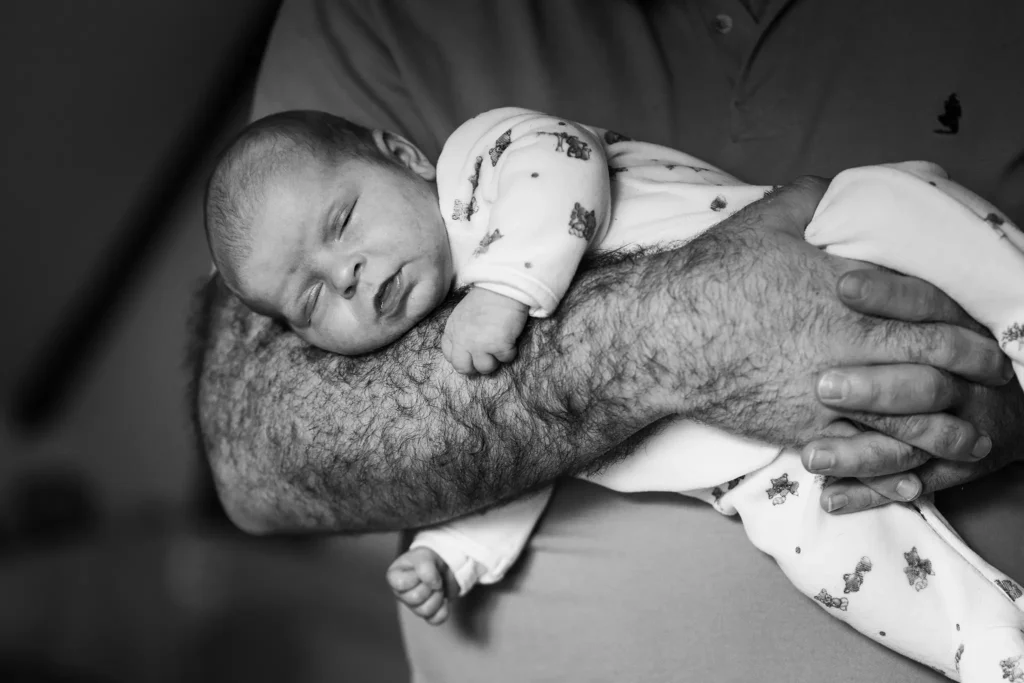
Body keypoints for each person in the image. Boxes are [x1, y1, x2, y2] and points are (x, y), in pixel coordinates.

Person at [194, 1, 1024, 681]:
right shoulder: (442, 318)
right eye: (310, 298)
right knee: (839, 556)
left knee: (905, 209)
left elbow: (565, 166)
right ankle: (988, 646)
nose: (345, 275)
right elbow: (499, 469)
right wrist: (454, 556)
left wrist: (511, 291)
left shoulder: (479, 165)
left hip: (835, 240)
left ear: (402, 154)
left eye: (343, 224)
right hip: (753, 470)